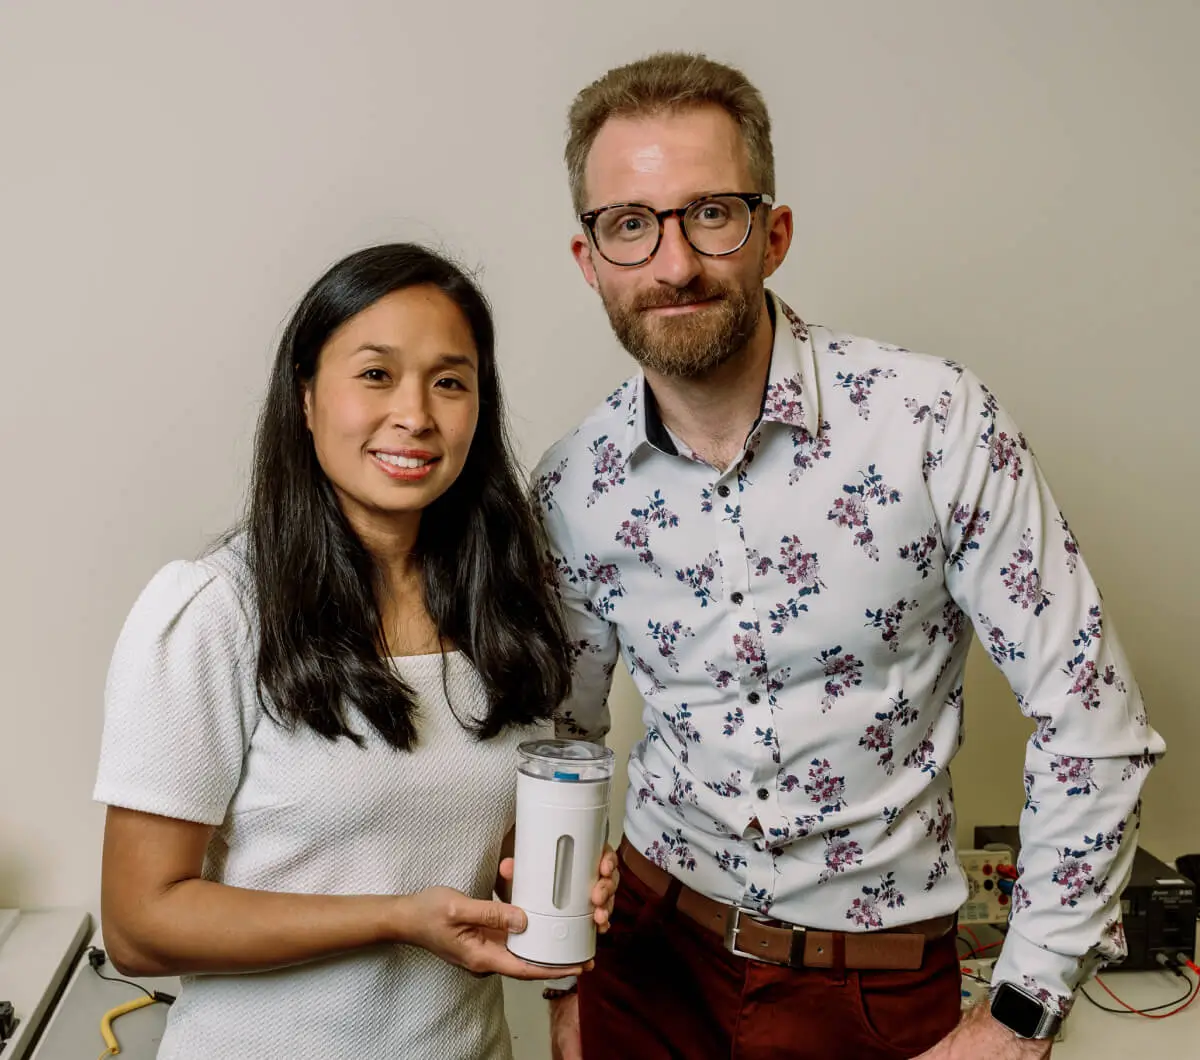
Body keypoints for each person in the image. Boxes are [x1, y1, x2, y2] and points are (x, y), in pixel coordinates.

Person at [533, 53, 1164, 1060]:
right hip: (646, 972)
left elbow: (1094, 723)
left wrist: (1019, 1014)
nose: (675, 261)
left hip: (866, 992)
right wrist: (568, 979)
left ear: (773, 234)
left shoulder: (933, 424)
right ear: (590, 259)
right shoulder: (574, 484)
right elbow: (556, 743)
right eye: (631, 224)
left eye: (712, 213)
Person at [94, 243, 617, 1060]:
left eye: (450, 381)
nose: (415, 414)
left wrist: (561, 885)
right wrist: (396, 917)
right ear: (305, 397)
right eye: (376, 374)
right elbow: (138, 924)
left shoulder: (508, 608)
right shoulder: (215, 612)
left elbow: (483, 847)